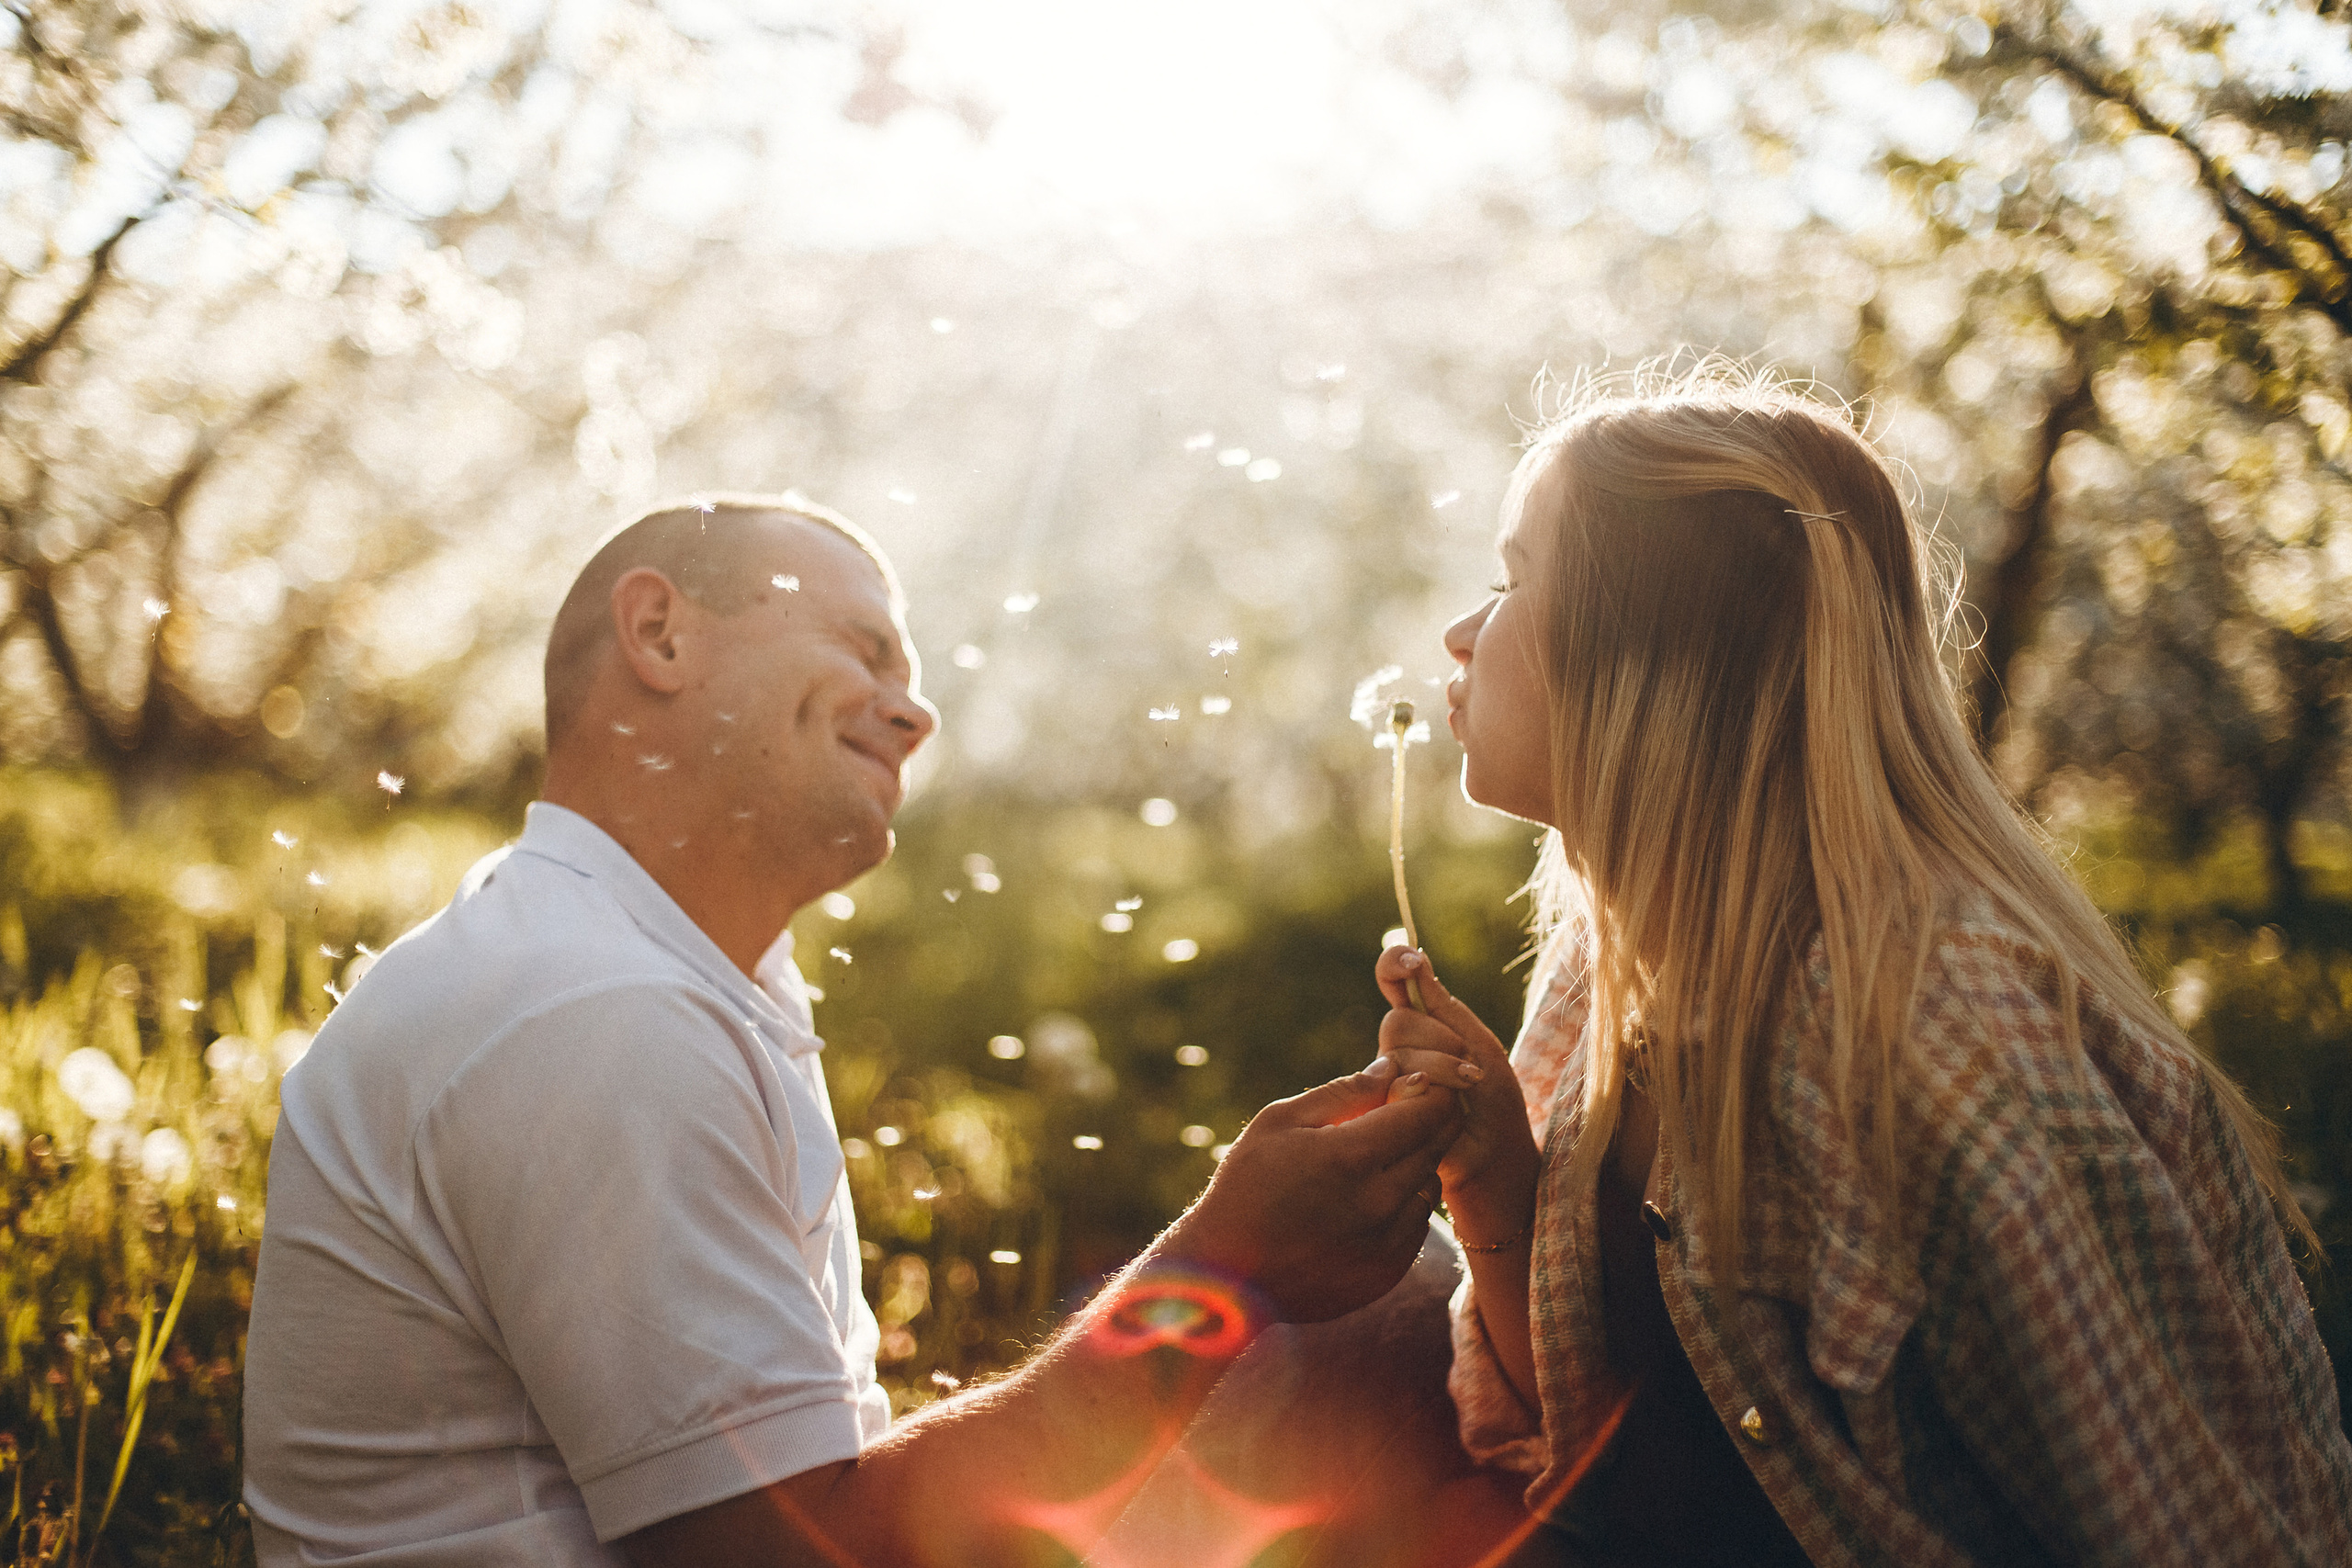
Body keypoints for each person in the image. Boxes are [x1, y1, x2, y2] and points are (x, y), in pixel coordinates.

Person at [241, 494, 1469, 1567]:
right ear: (660, 633)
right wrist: (1226, 1268)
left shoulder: (640, 966)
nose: (915, 712)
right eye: (863, 648)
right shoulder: (599, 1013)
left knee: (1406, 1317)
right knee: (1396, 1335)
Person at [1370, 367, 2352, 1568]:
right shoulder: (1612, 963)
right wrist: (1496, 1181)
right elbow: (1605, 1452)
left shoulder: (1922, 1036)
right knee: (1341, 1314)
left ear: (1658, 648)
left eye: (1515, 580)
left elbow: (2178, 1530)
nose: (1463, 632)